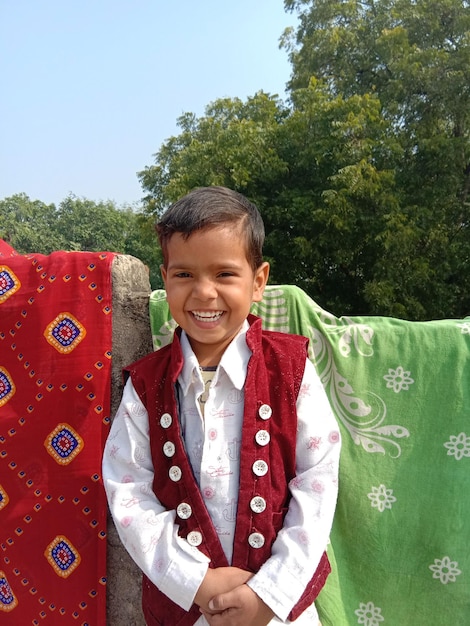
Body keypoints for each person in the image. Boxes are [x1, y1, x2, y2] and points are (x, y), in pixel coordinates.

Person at [102, 186, 341, 625]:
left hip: (279, 610)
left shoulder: (290, 370)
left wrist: (270, 593)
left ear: (259, 281)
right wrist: (195, 581)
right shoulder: (147, 384)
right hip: (188, 609)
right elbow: (128, 489)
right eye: (184, 275)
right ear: (165, 276)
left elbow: (318, 479)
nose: (204, 293)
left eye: (225, 274)